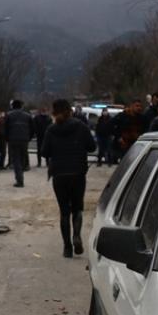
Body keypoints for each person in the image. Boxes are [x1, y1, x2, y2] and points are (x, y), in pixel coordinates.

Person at [43, 98, 96, 258]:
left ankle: (67, 248)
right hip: (78, 173)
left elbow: (44, 152)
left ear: (54, 112)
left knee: (64, 211)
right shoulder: (81, 126)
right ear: (70, 110)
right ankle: (76, 236)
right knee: (77, 208)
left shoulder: (51, 130)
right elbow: (92, 147)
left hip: (59, 174)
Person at [2, 99, 34, 187]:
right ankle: (21, 174)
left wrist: (7, 139)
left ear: (12, 106)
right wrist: (28, 138)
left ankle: (20, 180)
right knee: (22, 159)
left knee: (16, 160)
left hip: (13, 140)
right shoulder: (28, 116)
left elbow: (5, 128)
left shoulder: (8, 115)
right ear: (21, 106)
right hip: (24, 140)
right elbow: (32, 129)